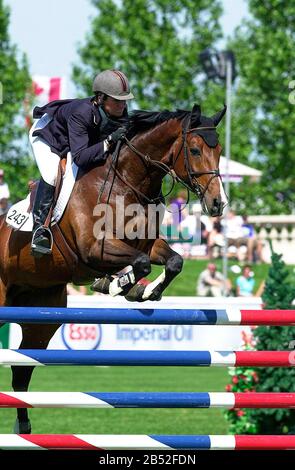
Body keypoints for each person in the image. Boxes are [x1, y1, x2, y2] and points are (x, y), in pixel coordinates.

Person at [28, 69, 134, 257]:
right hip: (48, 136)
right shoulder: (82, 113)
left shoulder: (121, 112)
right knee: (53, 173)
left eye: (125, 100)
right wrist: (109, 141)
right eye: (117, 100)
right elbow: (81, 158)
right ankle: (40, 230)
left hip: (76, 141)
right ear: (101, 98)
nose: (122, 105)